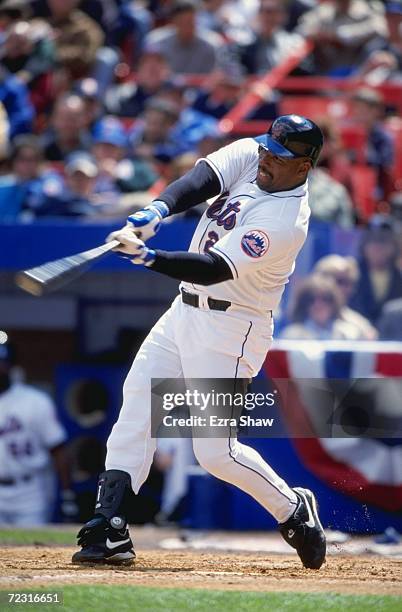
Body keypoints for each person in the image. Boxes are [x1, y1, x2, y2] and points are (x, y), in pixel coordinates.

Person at [72, 114, 326, 570]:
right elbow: (200, 180)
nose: (267, 157)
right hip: (184, 309)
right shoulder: (256, 154)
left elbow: (214, 267)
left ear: (304, 166)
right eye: (269, 148)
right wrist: (154, 212)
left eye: (281, 156)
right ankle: (108, 525)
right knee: (136, 405)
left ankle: (292, 509)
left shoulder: (286, 220)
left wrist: (149, 257)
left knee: (215, 453)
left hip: (234, 327)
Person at [0, 333, 72, 525]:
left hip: (28, 492)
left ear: (11, 366)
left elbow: (58, 449)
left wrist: (67, 494)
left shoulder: (35, 401)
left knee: (33, 548)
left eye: (3, 363)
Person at [280, 274, 368, 340]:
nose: (318, 304)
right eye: (311, 299)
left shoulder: (350, 334)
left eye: (325, 299)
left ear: (334, 303)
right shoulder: (291, 336)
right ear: (303, 304)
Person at [313, 255, 378, 340]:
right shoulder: (301, 318)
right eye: (339, 281)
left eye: (348, 283)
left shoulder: (361, 325)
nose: (344, 288)